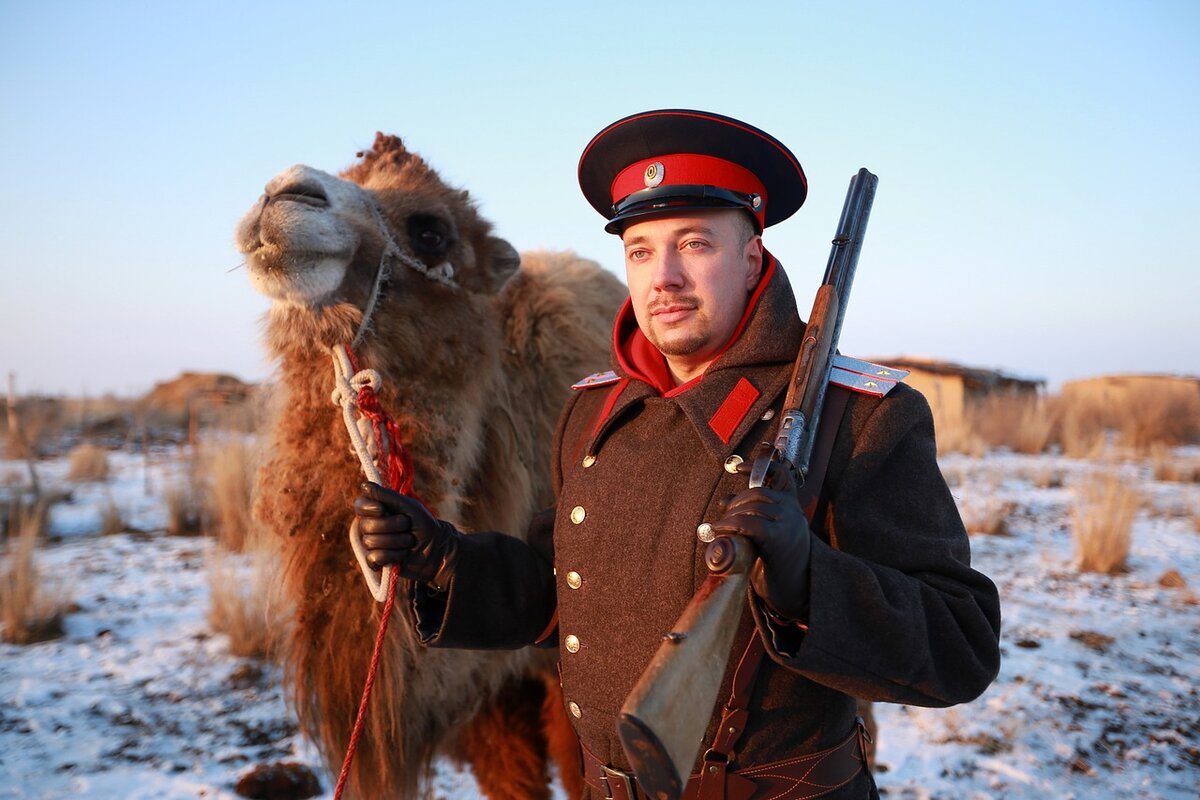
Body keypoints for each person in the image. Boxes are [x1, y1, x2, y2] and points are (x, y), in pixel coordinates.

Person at [355, 109, 1002, 799]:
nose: (663, 277)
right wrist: (447, 561)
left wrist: (807, 580)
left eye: (695, 244)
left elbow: (959, 644)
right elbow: (564, 589)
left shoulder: (860, 416)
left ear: (751, 256)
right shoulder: (592, 411)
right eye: (640, 249)